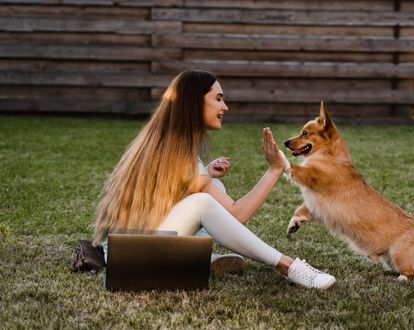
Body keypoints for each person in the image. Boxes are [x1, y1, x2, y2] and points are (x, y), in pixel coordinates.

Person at [92, 69, 336, 289]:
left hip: (128, 250)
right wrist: (274, 169)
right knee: (203, 202)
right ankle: (287, 265)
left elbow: (173, 190)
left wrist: (205, 173)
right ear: (194, 102)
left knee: (212, 186)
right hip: (132, 259)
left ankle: (198, 257)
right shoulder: (175, 151)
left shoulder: (168, 142)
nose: (225, 106)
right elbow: (236, 215)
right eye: (218, 99)